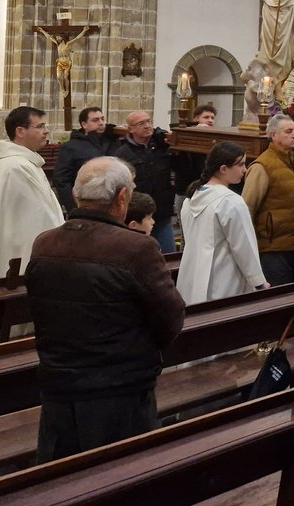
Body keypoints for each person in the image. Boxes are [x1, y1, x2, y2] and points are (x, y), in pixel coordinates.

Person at [27, 157, 185, 463]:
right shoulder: (136, 248)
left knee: (62, 480)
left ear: (77, 196)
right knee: (122, 480)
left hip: (59, 386)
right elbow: (170, 316)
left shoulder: (44, 244)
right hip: (119, 390)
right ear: (122, 197)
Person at [0, 106, 63, 301]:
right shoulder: (15, 167)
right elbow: (36, 221)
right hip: (19, 258)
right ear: (20, 131)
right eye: (40, 126)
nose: (46, 131)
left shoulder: (23, 162)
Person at [177, 142, 268, 305]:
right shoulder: (231, 202)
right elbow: (244, 247)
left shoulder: (190, 199)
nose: (245, 170)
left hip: (192, 276)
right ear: (223, 169)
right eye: (240, 164)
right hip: (224, 282)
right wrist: (259, 281)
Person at [242, 114, 294, 285]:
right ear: (273, 135)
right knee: (280, 302)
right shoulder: (263, 166)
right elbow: (247, 209)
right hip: (274, 249)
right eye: (288, 131)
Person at [115, 111, 177, 253]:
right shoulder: (123, 152)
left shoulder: (162, 147)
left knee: (168, 253)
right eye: (141, 123)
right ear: (131, 129)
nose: (147, 126)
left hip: (161, 211)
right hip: (136, 215)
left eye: (149, 122)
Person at [53, 106, 117, 213]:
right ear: (84, 125)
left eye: (102, 119)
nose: (101, 123)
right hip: (86, 202)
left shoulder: (113, 142)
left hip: (112, 203)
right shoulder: (71, 147)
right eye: (95, 120)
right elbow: (62, 180)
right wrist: (72, 208)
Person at [172, 104, 217, 206]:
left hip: (207, 189)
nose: (210, 120)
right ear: (196, 119)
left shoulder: (215, 138)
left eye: (212, 118)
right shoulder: (185, 135)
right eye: (206, 117)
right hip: (185, 189)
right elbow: (179, 163)